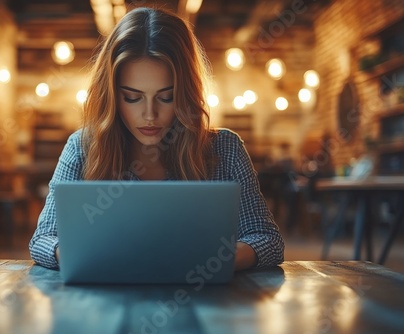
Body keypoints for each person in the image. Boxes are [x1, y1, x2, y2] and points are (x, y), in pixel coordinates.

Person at [29, 7, 284, 271]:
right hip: (107, 301)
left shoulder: (225, 149)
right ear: (113, 96)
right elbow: (43, 239)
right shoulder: (83, 147)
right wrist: (82, 255)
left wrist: (213, 262)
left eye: (166, 97)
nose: (149, 115)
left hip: (204, 300)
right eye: (132, 97)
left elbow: (267, 240)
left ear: (186, 93)